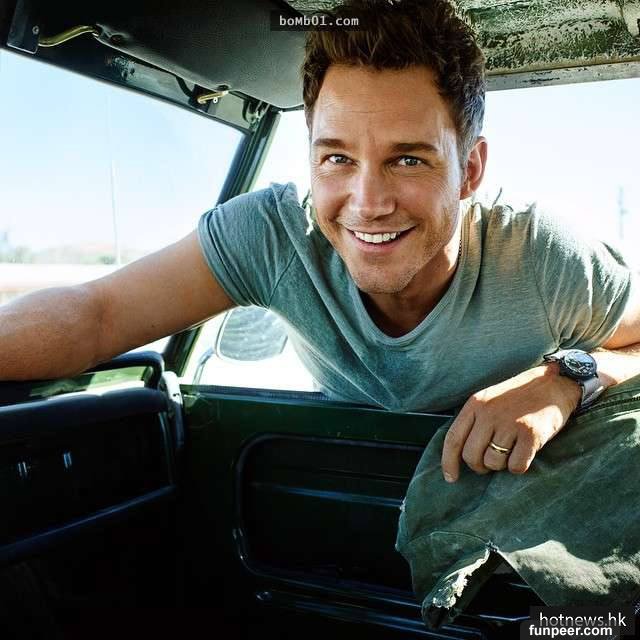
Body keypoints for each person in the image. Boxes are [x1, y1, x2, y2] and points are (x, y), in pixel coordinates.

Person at [1, 0, 639, 486]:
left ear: (469, 169)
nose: (368, 202)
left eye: (408, 160)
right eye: (337, 158)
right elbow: (96, 314)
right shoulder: (276, 236)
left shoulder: (542, 257)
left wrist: (567, 379)